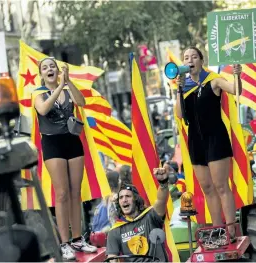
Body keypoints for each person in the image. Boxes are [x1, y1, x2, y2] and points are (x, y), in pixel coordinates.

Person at [175, 46, 242, 242]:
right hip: (196, 141)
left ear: (201, 60)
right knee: (207, 188)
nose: (190, 60)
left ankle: (230, 230)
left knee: (221, 186)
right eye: (186, 57)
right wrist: (178, 88)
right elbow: (179, 114)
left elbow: (236, 90)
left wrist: (237, 75)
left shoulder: (213, 80)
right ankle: (217, 229)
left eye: (194, 56)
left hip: (215, 137)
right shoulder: (184, 86)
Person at [34, 57, 97, 260]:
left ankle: (78, 238)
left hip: (72, 140)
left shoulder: (67, 88)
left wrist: (68, 82)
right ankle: (64, 242)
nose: (50, 69)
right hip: (52, 143)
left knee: (75, 191)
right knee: (61, 193)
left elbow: (82, 102)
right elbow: (43, 110)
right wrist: (59, 87)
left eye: (52, 66)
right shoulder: (38, 93)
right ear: (41, 74)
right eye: (45, 68)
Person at [106, 164, 172, 262]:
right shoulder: (115, 230)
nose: (124, 200)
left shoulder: (150, 216)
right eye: (121, 197)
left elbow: (161, 201)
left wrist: (163, 183)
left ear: (136, 199)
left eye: (128, 196)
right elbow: (112, 259)